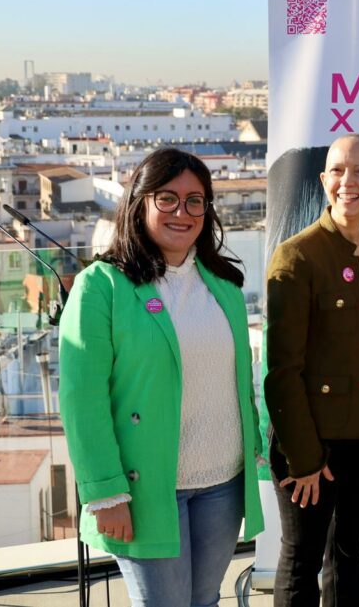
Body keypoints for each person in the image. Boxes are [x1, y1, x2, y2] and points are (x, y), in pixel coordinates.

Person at [59, 148, 264, 607]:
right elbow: (81, 399)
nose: (182, 212)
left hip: (222, 483)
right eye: (167, 198)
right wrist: (105, 492)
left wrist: (253, 445)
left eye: (195, 201)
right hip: (144, 489)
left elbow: (236, 380)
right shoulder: (101, 286)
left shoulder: (224, 284)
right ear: (140, 202)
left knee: (205, 601)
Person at [264, 134, 359, 607]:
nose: (347, 182)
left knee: (348, 552)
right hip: (311, 438)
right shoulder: (297, 256)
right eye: (338, 171)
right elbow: (282, 370)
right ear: (323, 180)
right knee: (302, 558)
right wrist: (304, 459)